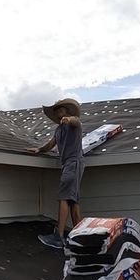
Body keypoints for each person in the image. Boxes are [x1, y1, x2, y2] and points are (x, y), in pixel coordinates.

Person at [27, 97, 84, 249]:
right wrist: (39, 149)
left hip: (74, 163)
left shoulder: (74, 122)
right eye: (57, 110)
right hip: (68, 165)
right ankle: (81, 238)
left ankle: (58, 236)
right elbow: (51, 144)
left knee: (64, 197)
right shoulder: (58, 130)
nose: (59, 111)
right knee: (73, 202)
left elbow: (75, 121)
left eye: (61, 109)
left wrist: (69, 119)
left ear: (67, 111)